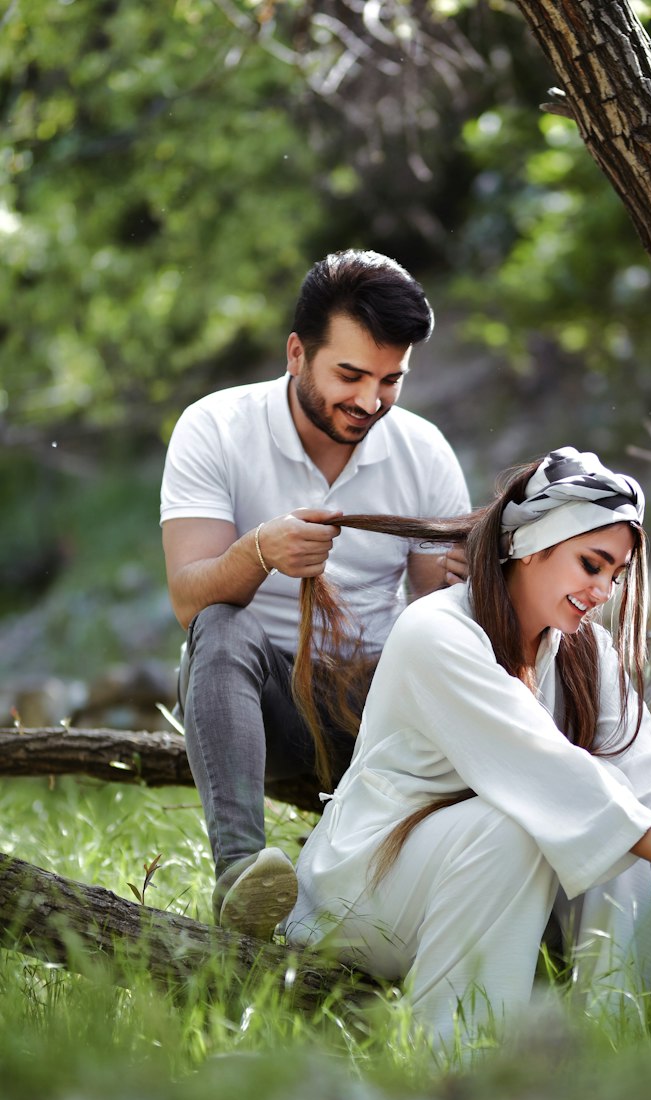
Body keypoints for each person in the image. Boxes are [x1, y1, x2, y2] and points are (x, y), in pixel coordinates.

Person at [270, 447, 651, 1047]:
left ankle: (609, 1045)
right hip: (365, 890)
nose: (602, 591)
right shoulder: (435, 631)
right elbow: (539, 766)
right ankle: (452, 1059)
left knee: (620, 822)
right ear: (531, 545)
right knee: (541, 821)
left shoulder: (583, 651)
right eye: (590, 564)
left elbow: (645, 771)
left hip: (473, 883)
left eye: (614, 576)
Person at [159, 250, 470, 938]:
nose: (370, 401)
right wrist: (260, 551)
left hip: (377, 709)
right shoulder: (214, 427)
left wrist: (468, 588)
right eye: (350, 375)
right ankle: (241, 876)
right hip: (262, 707)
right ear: (297, 353)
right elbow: (187, 597)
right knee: (220, 624)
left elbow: (432, 626)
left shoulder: (423, 452)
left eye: (392, 380)